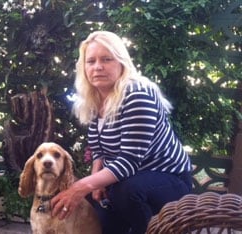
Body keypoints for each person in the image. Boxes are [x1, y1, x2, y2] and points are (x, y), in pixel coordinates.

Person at [51, 31, 192, 234]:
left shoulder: (137, 95)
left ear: (122, 63)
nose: (98, 66)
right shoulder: (94, 99)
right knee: (98, 205)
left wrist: (80, 187)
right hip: (128, 180)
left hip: (169, 181)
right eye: (91, 61)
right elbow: (99, 151)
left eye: (106, 59)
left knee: (125, 192)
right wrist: (94, 183)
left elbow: (129, 161)